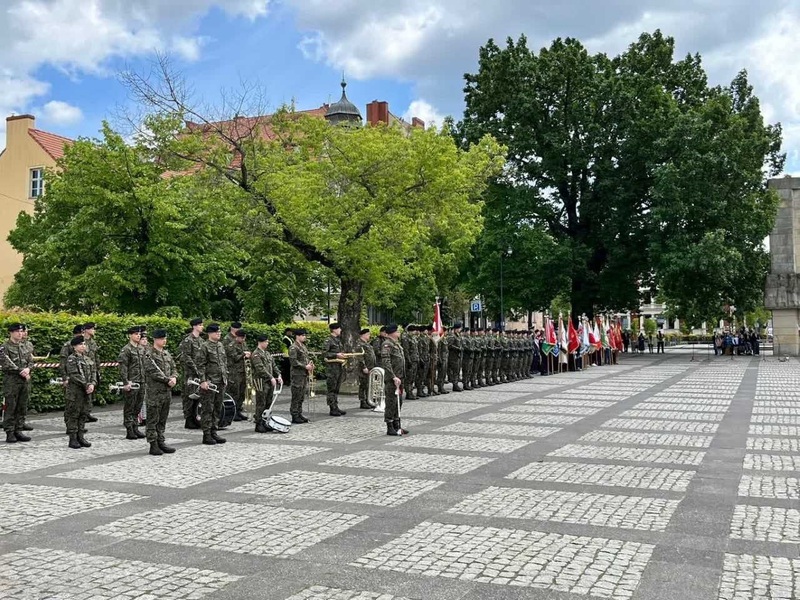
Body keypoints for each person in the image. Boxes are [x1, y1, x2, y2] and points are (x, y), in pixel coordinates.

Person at [143, 329, 177, 455]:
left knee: (163, 418)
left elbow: (174, 367)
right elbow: (152, 371)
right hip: (155, 392)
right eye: (162, 338)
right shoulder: (149, 354)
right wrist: (167, 380)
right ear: (156, 339)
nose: (164, 340)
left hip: (166, 392)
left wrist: (174, 377)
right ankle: (153, 443)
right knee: (153, 419)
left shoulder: (166, 354)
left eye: (165, 338)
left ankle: (161, 441)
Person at [196, 323, 227, 445]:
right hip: (210, 382)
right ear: (210, 333)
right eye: (216, 332)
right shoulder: (204, 347)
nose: (219, 334)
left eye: (219, 332)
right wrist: (203, 380)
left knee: (217, 408)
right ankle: (207, 434)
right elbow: (200, 365)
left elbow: (223, 362)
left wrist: (225, 377)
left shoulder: (220, 345)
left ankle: (214, 431)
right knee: (208, 409)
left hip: (220, 381)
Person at [2, 323, 33, 443]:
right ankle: (10, 432)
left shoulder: (23, 346)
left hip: (23, 381)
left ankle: (18, 430)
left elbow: (30, 361)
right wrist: (21, 371)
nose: (20, 333)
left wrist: (28, 369)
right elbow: (6, 364)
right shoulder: (5, 347)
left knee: (22, 406)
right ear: (11, 332)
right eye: (17, 331)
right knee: (11, 406)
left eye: (21, 331)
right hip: (12, 381)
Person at [65, 335, 95, 449]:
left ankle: (81, 436)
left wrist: (92, 383)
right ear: (74, 347)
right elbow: (74, 375)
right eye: (80, 344)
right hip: (75, 392)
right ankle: (73, 438)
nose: (83, 346)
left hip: (86, 391)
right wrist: (86, 384)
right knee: (74, 414)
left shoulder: (87, 359)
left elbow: (93, 371)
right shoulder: (72, 359)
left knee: (83, 414)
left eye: (84, 344)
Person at [117, 326, 147, 440]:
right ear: (130, 335)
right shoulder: (127, 349)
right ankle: (129, 429)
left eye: (139, 334)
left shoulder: (141, 349)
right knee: (130, 405)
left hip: (141, 380)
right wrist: (125, 381)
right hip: (132, 381)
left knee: (138, 405)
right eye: (135, 334)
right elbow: (123, 366)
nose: (138, 336)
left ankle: (135, 426)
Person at [251, 334, 282, 432]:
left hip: (269, 381)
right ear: (261, 342)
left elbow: (273, 365)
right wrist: (271, 377)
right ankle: (258, 423)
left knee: (269, 402)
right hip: (261, 381)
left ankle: (265, 421)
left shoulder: (267, 353)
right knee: (261, 402)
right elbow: (260, 369)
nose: (267, 343)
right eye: (266, 342)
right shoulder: (256, 354)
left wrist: (279, 375)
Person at [381, 324, 408, 436]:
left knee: (399, 401)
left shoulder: (396, 344)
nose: (399, 333)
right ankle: (390, 425)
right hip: (393, 378)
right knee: (391, 402)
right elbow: (386, 362)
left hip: (400, 377)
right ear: (392, 332)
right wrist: (393, 376)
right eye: (397, 331)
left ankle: (397, 425)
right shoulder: (387, 344)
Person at [179, 318, 204, 429]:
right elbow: (186, 357)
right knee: (188, 396)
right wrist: (195, 368)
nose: (202, 327)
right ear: (194, 326)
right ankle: (188, 419)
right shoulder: (188, 340)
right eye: (200, 325)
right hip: (190, 373)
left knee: (197, 395)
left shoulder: (202, 341)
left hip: (199, 373)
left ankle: (195, 417)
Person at [289, 328, 313, 424]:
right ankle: (294, 414)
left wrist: (310, 365)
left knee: (301, 395)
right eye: (302, 335)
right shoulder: (293, 347)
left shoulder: (303, 346)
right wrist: (305, 366)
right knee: (296, 394)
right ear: (297, 336)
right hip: (297, 374)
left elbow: (305, 359)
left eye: (304, 335)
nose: (304, 337)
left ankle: (299, 413)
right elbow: (293, 362)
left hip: (303, 374)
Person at [226, 328, 250, 421]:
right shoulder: (231, 346)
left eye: (244, 338)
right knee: (235, 393)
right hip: (234, 373)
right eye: (241, 338)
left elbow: (246, 352)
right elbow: (234, 358)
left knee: (242, 393)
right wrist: (244, 354)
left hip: (243, 371)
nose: (243, 340)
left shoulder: (243, 344)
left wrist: (247, 354)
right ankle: (233, 412)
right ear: (237, 337)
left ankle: (238, 410)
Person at [324, 322, 347, 416]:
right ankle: (332, 408)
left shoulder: (337, 340)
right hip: (332, 368)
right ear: (334, 330)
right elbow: (324, 353)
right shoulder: (328, 340)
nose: (340, 330)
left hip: (338, 367)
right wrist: (336, 355)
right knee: (331, 389)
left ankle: (336, 406)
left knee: (336, 388)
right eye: (339, 329)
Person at [82, 322, 100, 423]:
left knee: (91, 393)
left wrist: (97, 369)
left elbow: (96, 356)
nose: (94, 331)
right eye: (92, 329)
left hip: (92, 370)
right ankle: (82, 415)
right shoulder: (81, 342)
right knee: (83, 393)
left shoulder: (93, 342)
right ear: (87, 330)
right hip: (83, 371)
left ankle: (87, 413)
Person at [355, 328, 376, 409]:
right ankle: (363, 401)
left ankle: (368, 400)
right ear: (363, 335)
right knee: (363, 385)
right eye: (368, 334)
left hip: (370, 367)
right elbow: (360, 357)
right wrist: (364, 367)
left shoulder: (367, 344)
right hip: (364, 368)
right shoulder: (359, 344)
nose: (369, 336)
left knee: (369, 385)